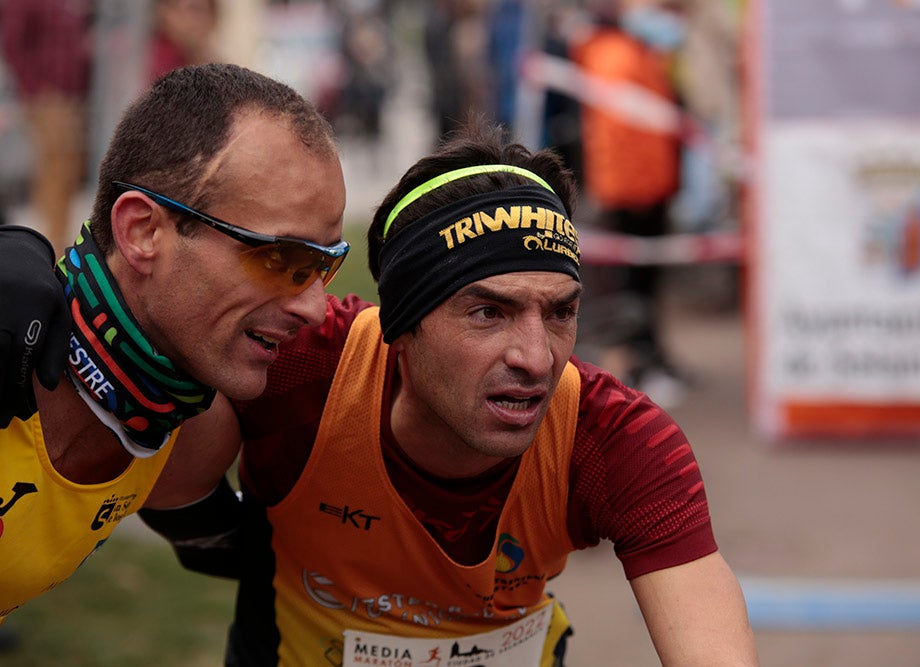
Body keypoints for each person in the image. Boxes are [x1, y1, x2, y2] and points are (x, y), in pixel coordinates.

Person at [0, 121, 758, 665]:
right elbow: (164, 298)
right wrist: (27, 270)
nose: (536, 356)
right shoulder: (294, 365)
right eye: (487, 311)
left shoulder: (614, 439)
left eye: (560, 311)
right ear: (399, 324)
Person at [0, 62, 350, 625]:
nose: (314, 308)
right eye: (282, 258)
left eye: (327, 265)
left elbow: (261, 557)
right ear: (144, 232)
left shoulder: (192, 436)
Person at [573, 0, 687, 405]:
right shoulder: (615, 55)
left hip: (647, 186)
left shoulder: (637, 51)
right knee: (629, 288)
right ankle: (636, 366)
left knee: (645, 285)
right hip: (631, 190)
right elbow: (626, 133)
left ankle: (652, 357)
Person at [0, 0, 93, 249]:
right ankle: (51, 240)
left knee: (68, 169)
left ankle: (60, 235)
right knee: (54, 168)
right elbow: (13, 43)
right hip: (46, 97)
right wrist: (33, 88)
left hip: (73, 94)